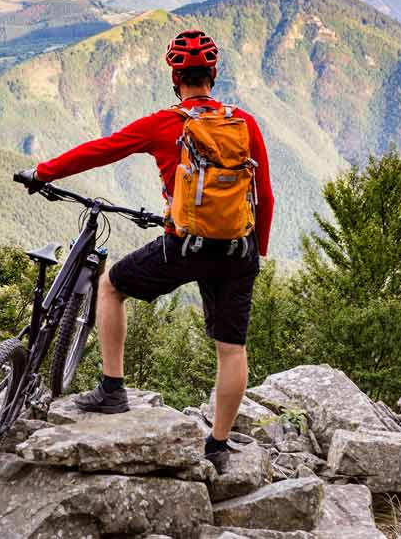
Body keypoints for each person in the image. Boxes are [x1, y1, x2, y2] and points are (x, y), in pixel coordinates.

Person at [21, 29, 274, 472]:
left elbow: (101, 150)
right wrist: (257, 250)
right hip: (238, 249)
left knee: (111, 285)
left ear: (176, 78)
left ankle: (112, 389)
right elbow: (265, 196)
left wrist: (44, 172)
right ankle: (217, 445)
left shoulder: (165, 123)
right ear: (212, 76)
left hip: (184, 245)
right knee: (231, 349)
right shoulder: (244, 123)